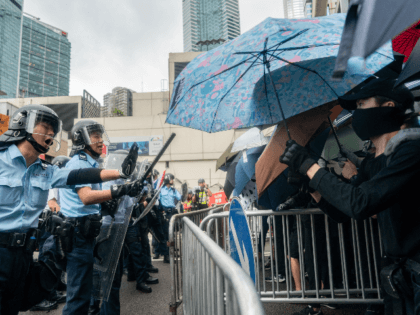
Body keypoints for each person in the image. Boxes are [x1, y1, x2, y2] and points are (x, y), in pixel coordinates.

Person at [280, 77, 420, 315]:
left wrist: (310, 167)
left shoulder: (412, 152)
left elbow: (360, 203)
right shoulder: (373, 164)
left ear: (387, 107)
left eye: (362, 105)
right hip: (399, 279)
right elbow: (345, 211)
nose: (356, 113)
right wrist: (311, 187)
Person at [0, 105, 140, 315]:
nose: (50, 134)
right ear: (23, 125)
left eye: (53, 131)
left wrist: (120, 173)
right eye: (45, 127)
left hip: (24, 254)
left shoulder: (45, 171)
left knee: (12, 308)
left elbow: (79, 176)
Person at [42, 119, 142, 315]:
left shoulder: (91, 163)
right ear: (83, 139)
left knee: (83, 293)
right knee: (78, 298)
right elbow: (86, 197)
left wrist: (107, 203)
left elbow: (89, 202)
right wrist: (118, 191)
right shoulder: (78, 163)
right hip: (77, 233)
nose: (100, 140)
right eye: (95, 136)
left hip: (86, 232)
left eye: (100, 136)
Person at [30, 155, 71, 312]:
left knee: (55, 257)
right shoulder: (52, 179)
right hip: (47, 223)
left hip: (50, 222)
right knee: (47, 258)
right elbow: (52, 203)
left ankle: (55, 288)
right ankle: (45, 294)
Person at [155, 173, 181, 263]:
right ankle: (166, 256)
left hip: (172, 212)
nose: (173, 181)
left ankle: (171, 254)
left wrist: (175, 193)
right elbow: (157, 201)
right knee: (165, 234)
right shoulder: (161, 190)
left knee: (172, 234)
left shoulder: (173, 190)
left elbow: (179, 197)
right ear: (167, 179)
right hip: (164, 213)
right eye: (171, 179)